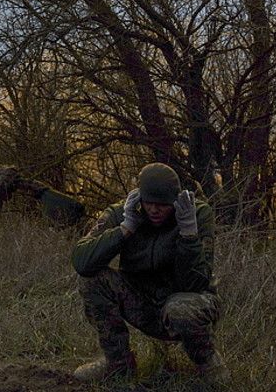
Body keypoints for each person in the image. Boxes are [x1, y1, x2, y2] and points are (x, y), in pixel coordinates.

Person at [71, 162, 225, 386]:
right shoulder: (122, 211)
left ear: (175, 200)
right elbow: (82, 261)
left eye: (162, 205)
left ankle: (208, 361)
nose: (154, 210)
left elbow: (196, 282)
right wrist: (125, 228)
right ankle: (117, 363)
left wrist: (188, 234)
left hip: (186, 301)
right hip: (141, 302)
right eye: (149, 203)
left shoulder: (197, 213)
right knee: (91, 280)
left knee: (181, 307)